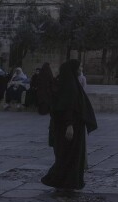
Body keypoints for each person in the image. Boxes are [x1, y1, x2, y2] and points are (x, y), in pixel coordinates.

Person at [41, 59, 97, 192]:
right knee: (69, 155)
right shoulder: (69, 86)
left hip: (71, 126)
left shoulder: (68, 83)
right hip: (70, 127)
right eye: (80, 66)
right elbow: (68, 107)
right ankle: (62, 181)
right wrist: (69, 125)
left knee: (69, 155)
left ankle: (66, 182)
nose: (81, 68)